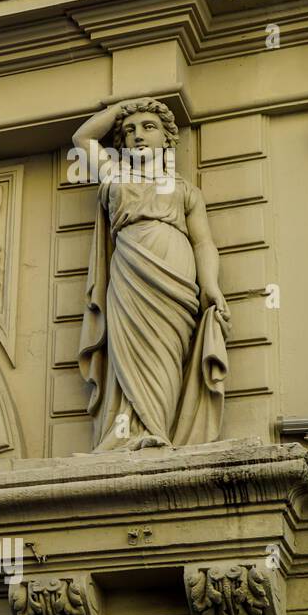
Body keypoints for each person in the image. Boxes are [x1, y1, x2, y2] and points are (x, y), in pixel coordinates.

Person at [72, 99, 230, 452]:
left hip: (174, 271)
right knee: (130, 353)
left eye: (148, 127)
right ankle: (133, 432)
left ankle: (160, 428)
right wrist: (123, 108)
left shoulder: (185, 189)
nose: (138, 136)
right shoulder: (115, 175)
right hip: (129, 269)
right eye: (129, 132)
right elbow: (82, 138)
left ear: (166, 139)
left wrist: (211, 286)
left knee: (166, 350)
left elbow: (203, 242)